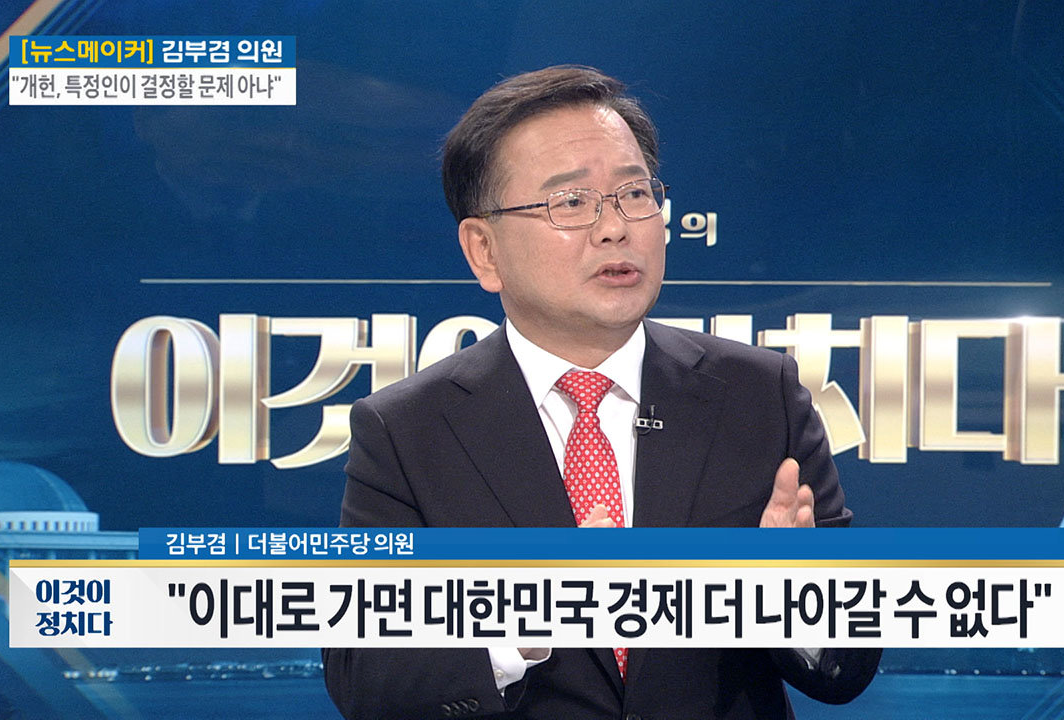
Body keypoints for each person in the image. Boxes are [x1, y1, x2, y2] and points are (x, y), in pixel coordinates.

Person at [323, 65, 881, 720]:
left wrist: (792, 601)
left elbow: (847, 668)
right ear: (484, 251)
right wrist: (531, 613)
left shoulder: (760, 394)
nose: (615, 228)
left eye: (634, 194)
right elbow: (364, 679)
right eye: (570, 202)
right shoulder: (407, 431)